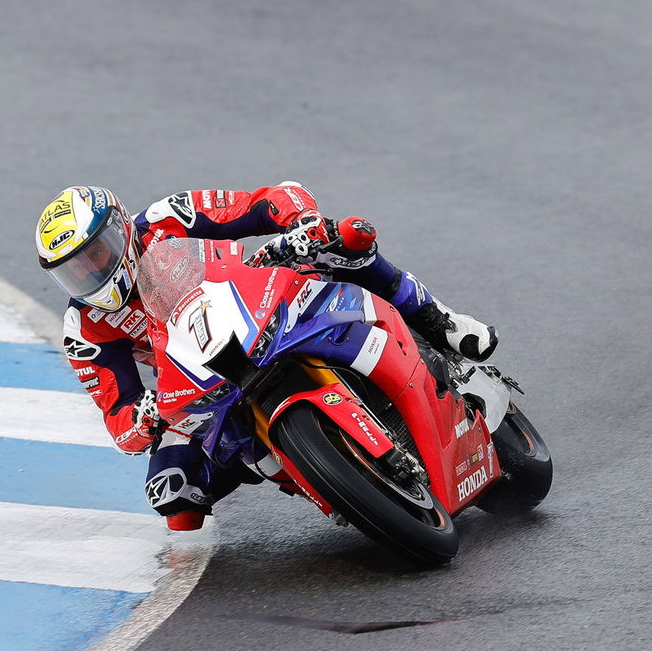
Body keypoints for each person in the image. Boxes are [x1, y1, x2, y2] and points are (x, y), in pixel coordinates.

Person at [35, 182, 498, 530]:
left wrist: (301, 223)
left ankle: (442, 321)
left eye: (96, 254)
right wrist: (147, 414)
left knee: (343, 242)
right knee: (173, 496)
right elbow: (118, 417)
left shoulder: (164, 218)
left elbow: (266, 199)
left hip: (254, 302)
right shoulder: (84, 327)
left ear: (118, 229)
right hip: (200, 374)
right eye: (74, 271)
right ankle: (318, 477)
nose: (91, 272)